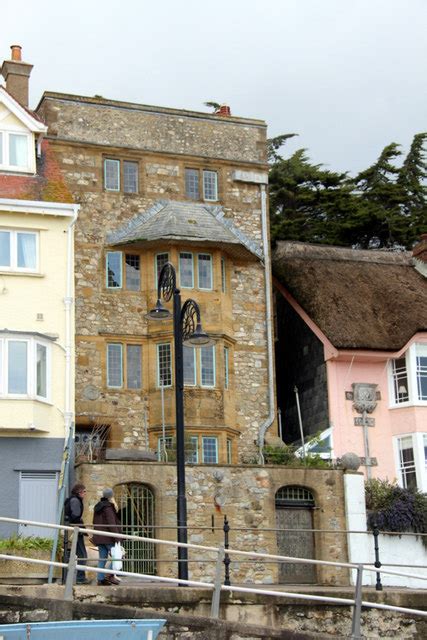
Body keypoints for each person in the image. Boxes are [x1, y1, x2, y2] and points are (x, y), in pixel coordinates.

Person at [92, 488, 122, 586]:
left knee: (102, 558)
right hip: (108, 537)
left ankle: (100, 579)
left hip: (100, 537)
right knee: (117, 556)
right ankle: (109, 575)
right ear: (111, 496)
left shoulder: (98, 507)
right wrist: (117, 537)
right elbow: (111, 523)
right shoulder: (108, 507)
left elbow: (94, 522)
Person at [64, 483, 89, 585]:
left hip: (75, 529)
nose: (85, 494)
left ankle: (78, 577)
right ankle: (80, 578)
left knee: (77, 553)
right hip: (76, 529)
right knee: (82, 554)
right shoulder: (75, 501)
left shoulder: (72, 499)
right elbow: (75, 515)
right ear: (79, 492)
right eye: (84, 491)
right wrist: (80, 525)